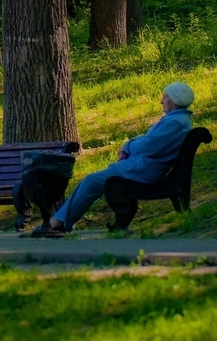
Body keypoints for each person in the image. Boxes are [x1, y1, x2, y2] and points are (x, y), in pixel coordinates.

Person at [35, 82, 195, 236]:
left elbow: (148, 145)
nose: (161, 101)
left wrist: (126, 147)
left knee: (91, 181)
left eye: (165, 97)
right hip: (140, 167)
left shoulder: (174, 122)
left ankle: (58, 222)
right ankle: (60, 221)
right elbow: (146, 140)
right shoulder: (175, 120)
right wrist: (130, 144)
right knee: (91, 180)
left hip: (142, 171)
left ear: (175, 100)